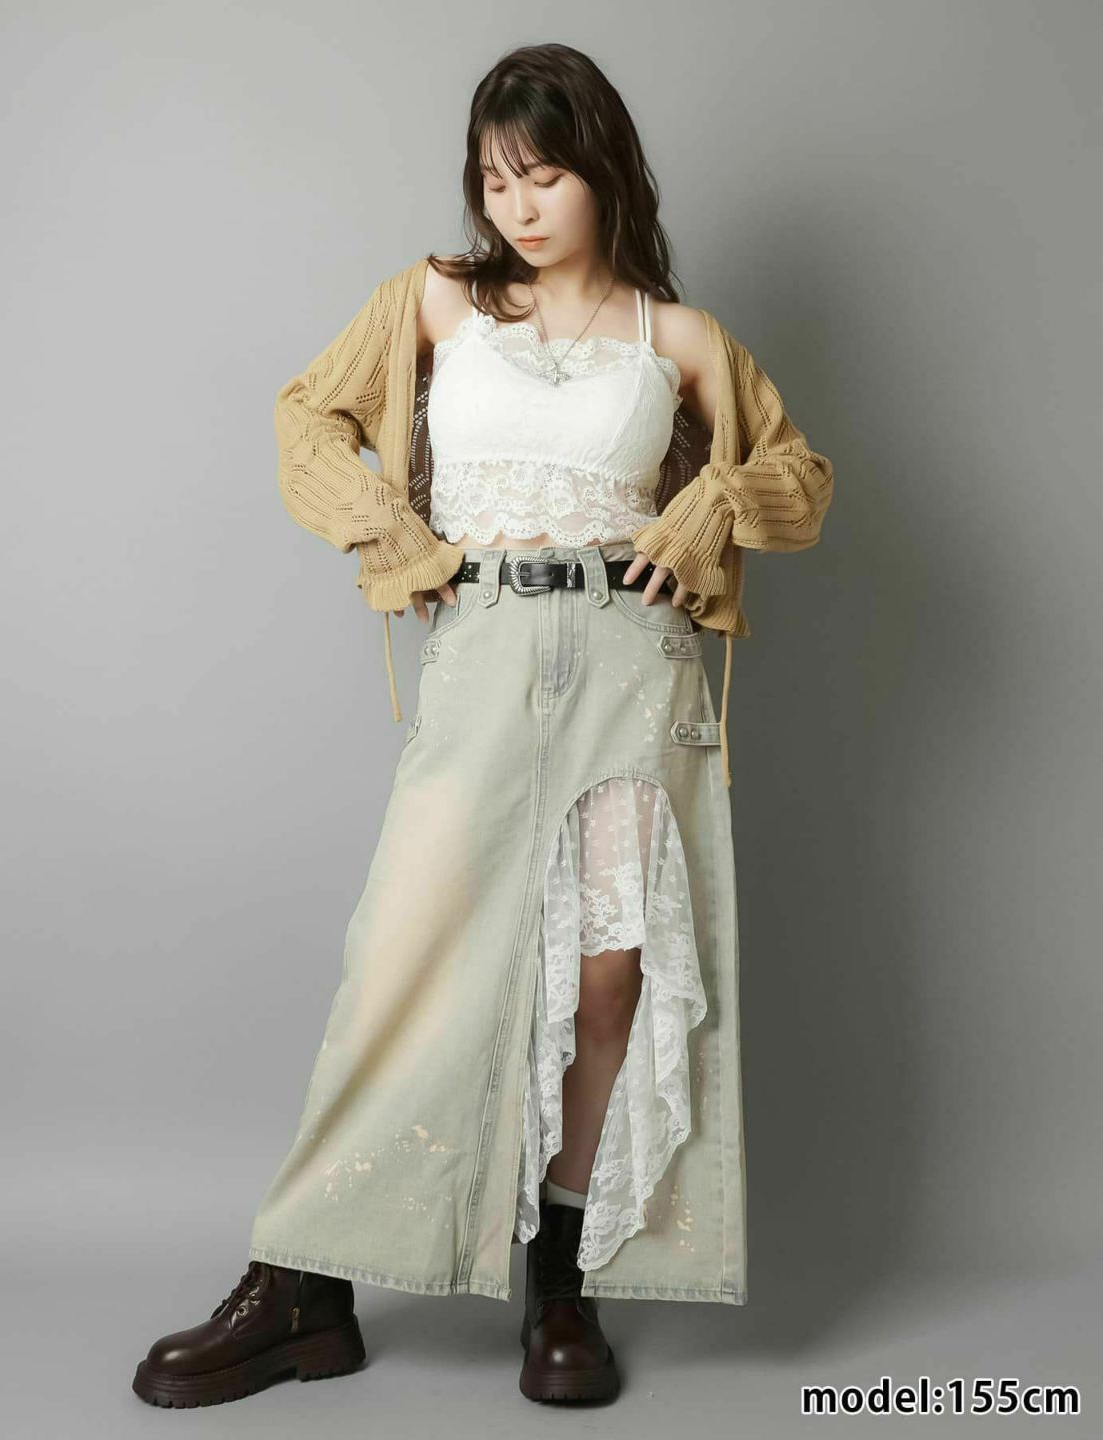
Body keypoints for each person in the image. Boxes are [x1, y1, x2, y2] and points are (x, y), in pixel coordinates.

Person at [132, 41, 834, 1410]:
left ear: (603, 172)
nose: (517, 206)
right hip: (486, 653)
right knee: (408, 962)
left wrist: (707, 508)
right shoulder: (436, 301)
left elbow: (797, 476)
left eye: (544, 175)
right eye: (495, 179)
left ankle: (560, 1282)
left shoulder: (677, 339)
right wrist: (397, 538)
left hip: (631, 666)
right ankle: (305, 1282)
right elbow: (308, 420)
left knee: (610, 978)